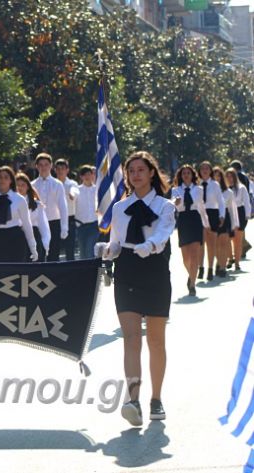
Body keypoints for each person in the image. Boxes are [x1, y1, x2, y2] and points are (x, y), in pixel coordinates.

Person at [95, 151, 175, 426]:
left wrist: (151, 245)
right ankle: (133, 400)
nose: (136, 175)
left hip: (155, 270)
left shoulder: (165, 206)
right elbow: (117, 243)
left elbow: (164, 234)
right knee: (131, 339)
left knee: (155, 340)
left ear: (151, 173)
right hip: (127, 271)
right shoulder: (119, 207)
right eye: (132, 171)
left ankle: (157, 398)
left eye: (141, 170)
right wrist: (107, 250)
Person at [0, 166, 38, 263]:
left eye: (6, 177)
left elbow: (27, 224)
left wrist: (33, 247)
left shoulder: (19, 199)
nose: (2, 180)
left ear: (11, 180)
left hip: (15, 237)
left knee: (16, 271)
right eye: (0, 177)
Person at [170, 164, 208, 297]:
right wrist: (176, 202)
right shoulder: (175, 190)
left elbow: (201, 206)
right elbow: (173, 205)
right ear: (180, 176)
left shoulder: (199, 189)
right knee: (185, 257)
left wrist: (206, 223)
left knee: (194, 254)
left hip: (195, 219)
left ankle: (192, 284)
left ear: (192, 175)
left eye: (188, 173)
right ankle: (191, 275)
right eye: (183, 173)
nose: (186, 175)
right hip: (183, 221)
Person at [32, 153, 68, 262]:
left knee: (53, 254)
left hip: (53, 223)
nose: (43, 167)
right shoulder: (32, 185)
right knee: (38, 254)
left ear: (51, 166)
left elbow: (63, 206)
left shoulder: (57, 184)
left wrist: (64, 227)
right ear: (37, 166)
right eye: (41, 165)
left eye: (46, 164)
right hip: (37, 224)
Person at [197, 161, 225, 282]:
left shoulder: (215, 185)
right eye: (202, 168)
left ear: (210, 171)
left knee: (211, 243)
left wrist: (222, 215)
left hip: (212, 213)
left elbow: (221, 201)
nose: (204, 171)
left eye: (207, 169)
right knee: (200, 243)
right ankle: (201, 267)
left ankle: (210, 268)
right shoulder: (196, 184)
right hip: (199, 214)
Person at [15, 173, 50, 262]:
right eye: (17, 185)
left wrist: (45, 244)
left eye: (23, 185)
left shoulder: (37, 204)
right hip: (16, 237)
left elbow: (43, 225)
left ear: (28, 187)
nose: (20, 188)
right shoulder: (10, 203)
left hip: (34, 236)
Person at [213, 167, 239, 278]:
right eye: (214, 175)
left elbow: (233, 209)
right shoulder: (208, 190)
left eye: (219, 175)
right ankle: (218, 263)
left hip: (225, 219)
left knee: (223, 243)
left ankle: (223, 267)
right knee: (216, 245)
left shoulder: (228, 192)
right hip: (213, 218)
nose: (216, 178)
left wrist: (235, 224)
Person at [226, 167, 251, 271]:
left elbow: (246, 202)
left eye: (231, 176)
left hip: (240, 213)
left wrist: (247, 216)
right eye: (227, 176)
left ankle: (237, 263)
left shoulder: (241, 188)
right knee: (228, 239)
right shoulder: (224, 189)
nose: (229, 178)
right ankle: (230, 258)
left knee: (237, 240)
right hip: (228, 213)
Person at [74, 165, 99, 260]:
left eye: (89, 174)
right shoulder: (77, 189)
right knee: (83, 253)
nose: (87, 177)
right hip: (81, 226)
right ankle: (85, 273)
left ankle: (93, 273)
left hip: (94, 225)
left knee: (90, 251)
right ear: (81, 177)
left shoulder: (97, 190)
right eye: (85, 175)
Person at [55, 159, 78, 260]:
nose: (60, 171)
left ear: (67, 170)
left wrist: (72, 194)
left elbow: (75, 191)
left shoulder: (71, 184)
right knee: (54, 249)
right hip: (55, 220)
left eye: (63, 169)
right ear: (55, 170)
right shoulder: (52, 183)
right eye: (58, 169)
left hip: (69, 220)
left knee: (70, 249)